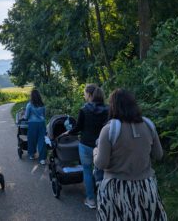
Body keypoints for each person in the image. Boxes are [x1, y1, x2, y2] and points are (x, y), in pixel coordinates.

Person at [93, 89, 167, 220]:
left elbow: (101, 163)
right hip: (146, 188)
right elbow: (159, 155)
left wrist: (95, 153)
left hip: (117, 190)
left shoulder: (108, 129)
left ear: (113, 106)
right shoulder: (148, 125)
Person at [64, 84, 108, 209]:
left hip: (86, 145)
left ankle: (91, 200)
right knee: (103, 172)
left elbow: (78, 128)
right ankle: (105, 199)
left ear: (89, 95)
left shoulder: (84, 109)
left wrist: (69, 132)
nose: (84, 95)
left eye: (84, 93)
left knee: (87, 172)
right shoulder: (108, 109)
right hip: (103, 146)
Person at [24, 89, 46, 165]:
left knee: (32, 139)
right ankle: (42, 159)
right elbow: (44, 115)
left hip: (32, 124)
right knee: (42, 140)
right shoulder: (42, 104)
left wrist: (24, 116)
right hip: (42, 124)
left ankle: (31, 155)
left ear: (32, 96)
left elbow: (26, 117)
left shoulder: (29, 105)